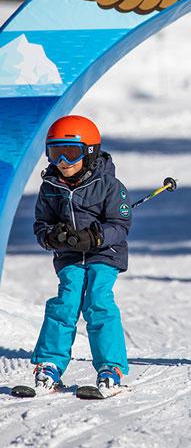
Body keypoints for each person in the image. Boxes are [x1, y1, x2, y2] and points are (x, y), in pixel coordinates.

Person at [30, 115, 131, 394]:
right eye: (54, 152)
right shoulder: (50, 187)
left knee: (98, 302)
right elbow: (41, 225)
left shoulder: (110, 186)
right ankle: (49, 365)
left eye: (71, 152)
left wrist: (95, 236)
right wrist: (53, 236)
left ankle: (111, 367)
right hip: (70, 256)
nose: (62, 160)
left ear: (89, 152)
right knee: (66, 303)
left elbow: (120, 225)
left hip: (104, 254)